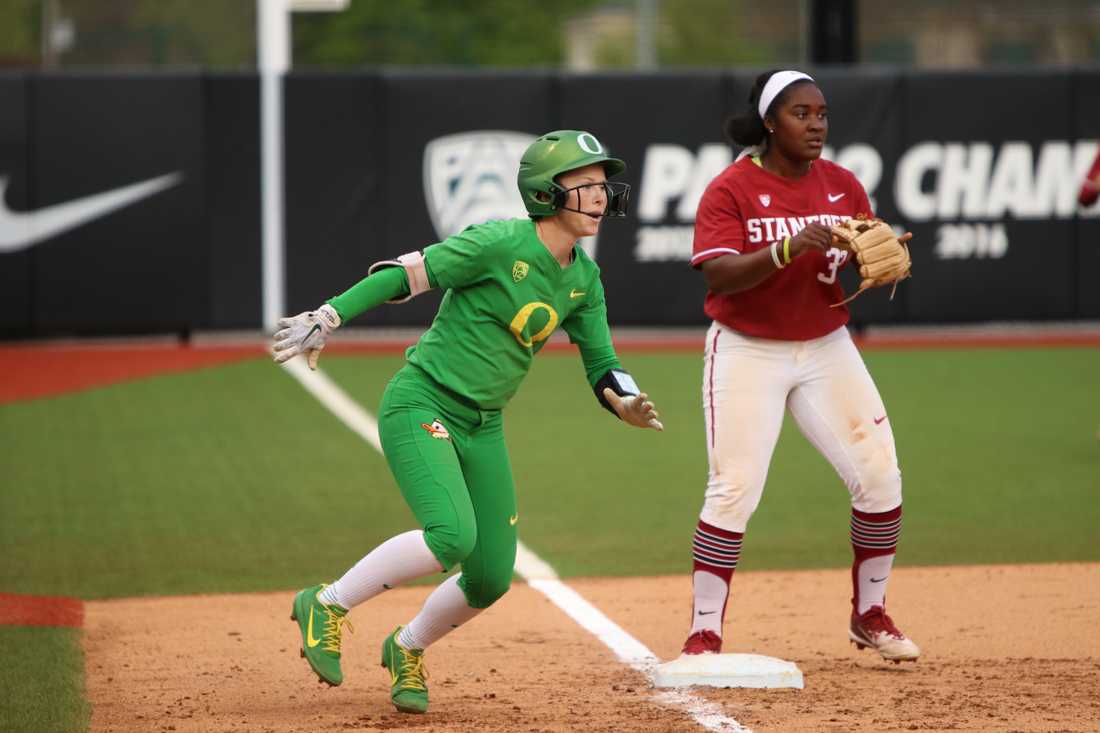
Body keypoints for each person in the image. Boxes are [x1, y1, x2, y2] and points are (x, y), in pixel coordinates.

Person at [272, 130, 663, 714]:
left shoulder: (585, 280)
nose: (601, 196)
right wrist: (328, 315)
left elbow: (603, 363)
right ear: (543, 194)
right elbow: (403, 274)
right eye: (584, 184)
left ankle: (407, 647)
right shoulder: (498, 242)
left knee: (489, 578)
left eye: (602, 184)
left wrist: (623, 402)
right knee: (451, 535)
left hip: (484, 425)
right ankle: (325, 603)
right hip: (422, 402)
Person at [680, 70, 920, 664]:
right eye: (800, 113)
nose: (815, 125)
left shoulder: (842, 185)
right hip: (746, 347)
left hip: (825, 345)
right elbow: (718, 273)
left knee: (881, 477)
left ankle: (870, 614)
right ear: (769, 122)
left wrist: (877, 255)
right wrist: (789, 246)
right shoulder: (731, 188)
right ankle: (704, 632)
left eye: (821, 114)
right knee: (734, 488)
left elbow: (865, 250)